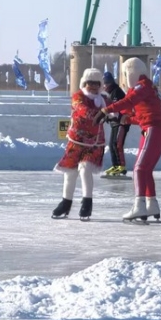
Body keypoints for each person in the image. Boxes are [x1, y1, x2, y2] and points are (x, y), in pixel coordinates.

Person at [94, 57, 161, 222]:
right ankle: (151, 203)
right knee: (145, 169)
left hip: (153, 130)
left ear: (131, 72)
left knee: (139, 169)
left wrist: (106, 110)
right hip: (154, 129)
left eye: (126, 73)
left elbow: (129, 101)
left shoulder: (142, 86)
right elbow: (144, 113)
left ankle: (139, 205)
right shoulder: (148, 87)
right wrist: (128, 119)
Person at [52, 68, 108, 220]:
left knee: (85, 170)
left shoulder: (104, 99)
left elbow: (118, 109)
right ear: (84, 83)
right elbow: (84, 111)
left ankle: (87, 203)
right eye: (90, 83)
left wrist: (116, 114)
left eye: (96, 83)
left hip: (95, 144)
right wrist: (103, 113)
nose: (93, 86)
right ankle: (66, 203)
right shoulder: (78, 97)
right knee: (70, 173)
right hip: (76, 141)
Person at [101, 71, 130, 176]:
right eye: (104, 83)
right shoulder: (107, 93)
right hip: (114, 122)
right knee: (111, 144)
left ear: (111, 83)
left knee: (118, 144)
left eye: (107, 83)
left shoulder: (116, 91)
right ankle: (115, 165)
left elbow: (118, 107)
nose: (105, 85)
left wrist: (108, 114)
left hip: (122, 122)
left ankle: (121, 166)